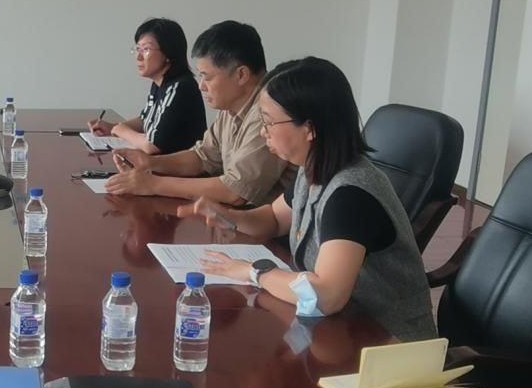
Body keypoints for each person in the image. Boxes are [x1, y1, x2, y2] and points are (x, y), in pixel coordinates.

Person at [181, 57, 436, 341]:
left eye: (268, 122)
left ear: (310, 129)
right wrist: (229, 216)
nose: (263, 132)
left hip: (388, 342)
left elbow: (326, 294)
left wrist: (253, 273)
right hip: (338, 330)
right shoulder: (313, 168)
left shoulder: (351, 195)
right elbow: (274, 219)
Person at [105, 20, 294, 206]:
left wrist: (154, 184)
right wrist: (150, 163)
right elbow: (203, 157)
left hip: (263, 222)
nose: (201, 86)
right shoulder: (232, 105)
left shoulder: (270, 112)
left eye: (207, 77)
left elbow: (235, 191)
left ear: (241, 75)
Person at [87, 18, 206, 155]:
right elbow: (146, 120)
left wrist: (122, 131)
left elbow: (153, 145)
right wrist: (112, 127)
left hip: (179, 167)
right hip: (159, 164)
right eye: (137, 49)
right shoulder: (159, 83)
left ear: (168, 53)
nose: (138, 56)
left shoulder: (179, 88)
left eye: (146, 49)